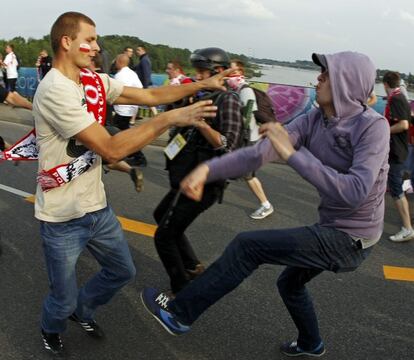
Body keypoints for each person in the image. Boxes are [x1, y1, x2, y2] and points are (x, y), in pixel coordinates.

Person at [141, 51, 390, 357]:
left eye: (325, 74)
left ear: (345, 81)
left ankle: (179, 314)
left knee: (248, 246)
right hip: (331, 227)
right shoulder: (315, 118)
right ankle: (311, 343)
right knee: (290, 284)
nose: (318, 79)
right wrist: (207, 170)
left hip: (351, 238)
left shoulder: (372, 127)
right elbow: (260, 153)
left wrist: (294, 155)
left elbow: (355, 191)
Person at [31, 11, 230, 356]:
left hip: (96, 209)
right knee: (60, 298)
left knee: (122, 271)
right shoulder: (55, 90)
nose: (96, 47)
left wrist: (201, 85)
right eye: (90, 39)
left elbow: (149, 97)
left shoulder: (91, 81)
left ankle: (84, 310)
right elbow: (111, 147)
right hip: (62, 218)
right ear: (67, 42)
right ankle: (52, 326)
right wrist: (172, 117)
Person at [151, 47, 243, 296]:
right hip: (187, 175)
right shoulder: (204, 96)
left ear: (219, 72)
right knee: (161, 214)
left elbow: (231, 146)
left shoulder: (228, 100)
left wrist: (201, 123)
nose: (198, 77)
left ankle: (182, 290)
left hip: (205, 182)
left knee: (164, 237)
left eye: (203, 72)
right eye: (198, 72)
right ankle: (192, 266)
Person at [90, 53, 143, 193]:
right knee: (108, 154)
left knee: (105, 155)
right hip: (113, 119)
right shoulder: (108, 78)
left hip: (95, 127)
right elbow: (142, 91)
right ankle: (130, 168)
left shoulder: (91, 80)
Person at [228, 59, 274, 219]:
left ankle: (266, 205)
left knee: (249, 175)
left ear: (240, 73)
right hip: (249, 137)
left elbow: (248, 115)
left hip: (250, 139)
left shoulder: (245, 90)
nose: (229, 75)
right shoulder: (237, 88)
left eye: (232, 72)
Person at [382, 71, 414, 242]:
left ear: (385, 84)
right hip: (393, 150)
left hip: (397, 152)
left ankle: (407, 228)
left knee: (396, 189)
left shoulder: (396, 98)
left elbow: (403, 124)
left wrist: (383, 130)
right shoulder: (398, 97)